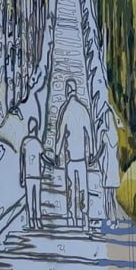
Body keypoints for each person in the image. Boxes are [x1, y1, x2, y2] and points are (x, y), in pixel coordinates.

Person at [54, 79, 92, 229]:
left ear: (67, 90)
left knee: (70, 188)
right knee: (83, 188)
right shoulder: (83, 109)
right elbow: (90, 133)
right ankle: (85, 219)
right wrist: (92, 152)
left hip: (70, 158)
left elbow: (60, 135)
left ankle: (72, 217)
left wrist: (56, 154)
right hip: (82, 158)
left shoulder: (65, 111)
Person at [20, 117, 45, 230]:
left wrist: (22, 176)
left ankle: (32, 220)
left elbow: (22, 161)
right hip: (36, 175)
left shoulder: (25, 142)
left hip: (30, 176)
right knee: (36, 199)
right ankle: (36, 221)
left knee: (30, 199)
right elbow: (43, 158)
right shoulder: (37, 142)